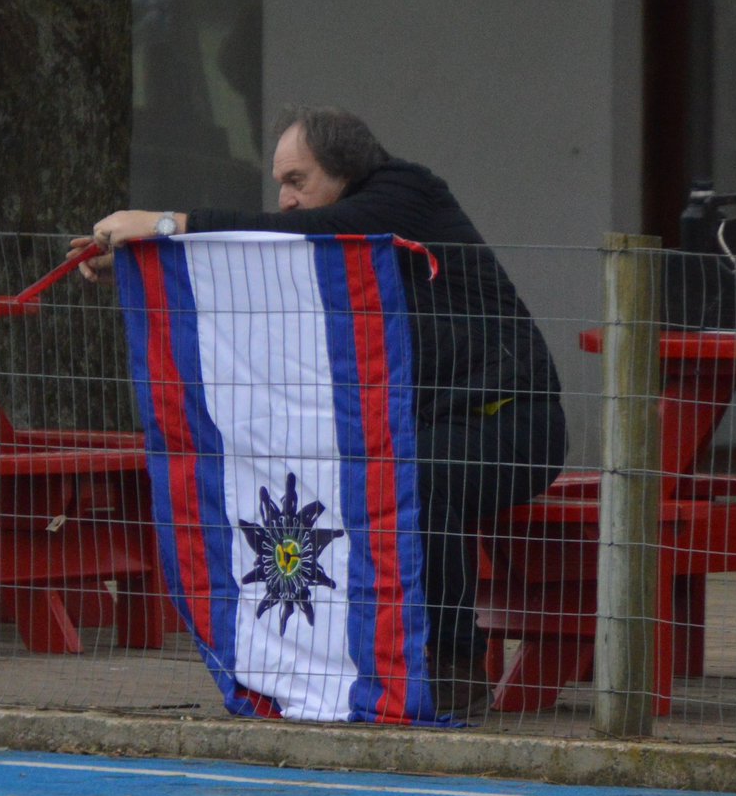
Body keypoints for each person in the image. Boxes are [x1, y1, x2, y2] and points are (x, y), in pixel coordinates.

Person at [71, 106, 567, 718]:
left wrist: (167, 224)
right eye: (280, 183)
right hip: (428, 428)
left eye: (296, 181)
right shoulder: (322, 237)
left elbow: (315, 229)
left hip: (513, 422)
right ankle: (335, 664)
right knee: (346, 476)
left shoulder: (405, 193)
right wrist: (145, 261)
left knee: (416, 479)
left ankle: (454, 670)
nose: (284, 199)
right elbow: (246, 268)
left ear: (344, 170)